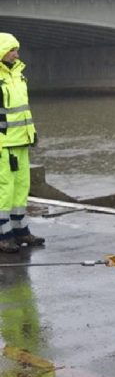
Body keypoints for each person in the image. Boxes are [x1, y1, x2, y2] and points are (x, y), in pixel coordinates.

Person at [0, 34, 44, 254]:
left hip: (21, 142)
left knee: (20, 190)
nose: (16, 54)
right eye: (11, 50)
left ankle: (20, 231)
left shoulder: (17, 76)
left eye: (16, 49)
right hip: (3, 145)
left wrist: (31, 134)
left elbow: (22, 111)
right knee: (4, 191)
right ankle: (3, 236)